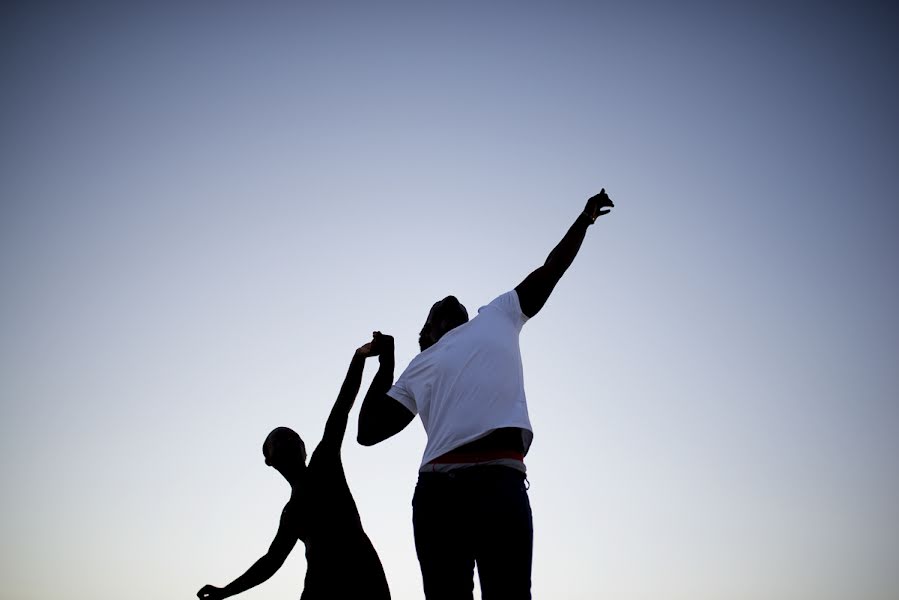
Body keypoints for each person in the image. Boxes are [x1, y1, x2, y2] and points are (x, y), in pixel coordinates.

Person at [356, 189, 614, 600]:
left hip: (501, 484)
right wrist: (386, 364)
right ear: (428, 334)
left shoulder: (498, 313)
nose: (448, 300)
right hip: (439, 496)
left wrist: (583, 220)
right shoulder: (421, 365)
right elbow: (367, 431)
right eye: (436, 308)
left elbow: (550, 269)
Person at [197, 342, 391, 600]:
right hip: (320, 589)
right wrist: (225, 591)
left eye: (293, 437)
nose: (287, 439)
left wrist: (359, 358)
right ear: (269, 460)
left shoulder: (325, 464)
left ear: (304, 449)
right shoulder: (291, 514)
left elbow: (342, 406)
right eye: (278, 439)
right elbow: (270, 562)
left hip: (364, 581)